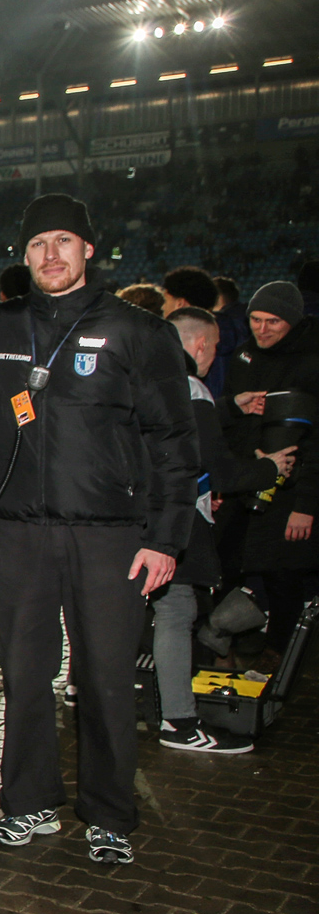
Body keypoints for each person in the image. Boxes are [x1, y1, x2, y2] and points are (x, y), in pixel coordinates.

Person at [0, 193, 196, 867]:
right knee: (24, 672)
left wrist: (166, 537)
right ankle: (28, 802)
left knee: (104, 678)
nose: (51, 254)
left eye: (64, 241)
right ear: (24, 254)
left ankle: (108, 813)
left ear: (88, 249)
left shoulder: (136, 331)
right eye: (38, 243)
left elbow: (174, 439)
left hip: (112, 536)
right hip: (20, 533)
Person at [160, 309, 287, 753]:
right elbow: (222, 470)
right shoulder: (191, 387)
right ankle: (178, 720)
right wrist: (269, 468)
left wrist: (230, 407)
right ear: (199, 345)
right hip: (172, 523)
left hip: (127, 518)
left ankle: (90, 692)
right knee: (176, 612)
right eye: (214, 347)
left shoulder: (141, 380)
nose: (215, 357)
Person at [222, 280, 319, 665]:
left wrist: (307, 505)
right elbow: (231, 422)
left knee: (283, 575)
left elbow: (316, 443)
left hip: (291, 491)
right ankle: (227, 643)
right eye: (256, 320)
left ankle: (279, 651)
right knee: (229, 565)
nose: (262, 329)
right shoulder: (244, 356)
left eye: (273, 322)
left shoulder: (312, 363)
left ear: (293, 322)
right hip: (244, 481)